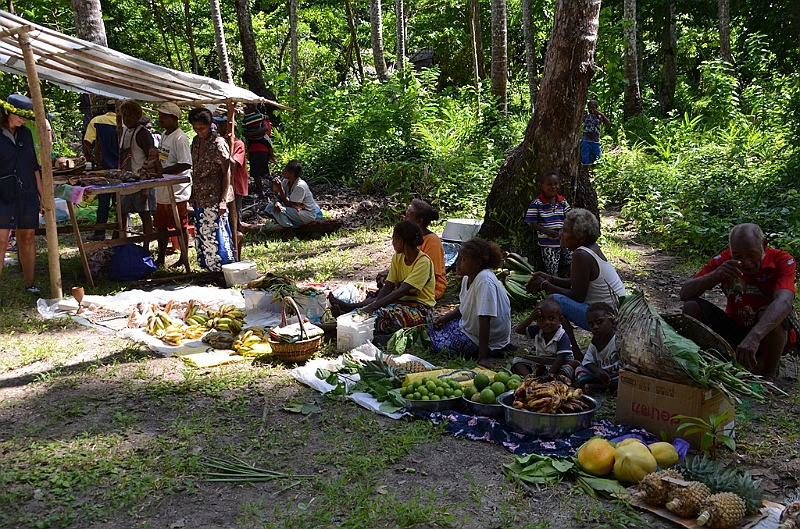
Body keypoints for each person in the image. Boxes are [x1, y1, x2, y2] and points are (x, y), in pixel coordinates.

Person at [680, 223, 795, 381]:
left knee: (769, 313)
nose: (746, 262)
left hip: (765, 333)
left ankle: (769, 374)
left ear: (764, 245)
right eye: (738, 256)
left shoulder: (782, 260)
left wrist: (754, 337)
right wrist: (717, 274)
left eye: (751, 255)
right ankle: (703, 361)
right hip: (735, 326)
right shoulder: (725, 259)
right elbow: (685, 293)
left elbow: (784, 301)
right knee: (691, 306)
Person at [527, 208, 627, 358]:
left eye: (566, 231)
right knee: (555, 301)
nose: (561, 234)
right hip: (612, 313)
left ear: (581, 238)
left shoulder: (581, 255)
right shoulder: (590, 249)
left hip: (607, 318)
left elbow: (577, 295)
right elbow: (578, 282)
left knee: (553, 301)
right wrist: (551, 279)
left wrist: (544, 285)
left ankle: (574, 353)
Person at [327, 220, 436, 336]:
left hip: (420, 310)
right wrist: (373, 307)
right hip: (400, 304)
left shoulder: (423, 262)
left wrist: (373, 307)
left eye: (394, 239)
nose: (392, 243)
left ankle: (331, 328)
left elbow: (402, 291)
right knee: (368, 312)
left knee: (380, 316)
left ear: (401, 241)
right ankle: (341, 324)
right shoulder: (398, 258)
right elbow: (388, 287)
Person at [428, 239, 511, 368]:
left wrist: (482, 358)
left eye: (463, 260)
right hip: (470, 327)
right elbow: (465, 307)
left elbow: (485, 320)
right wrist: (445, 318)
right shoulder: (467, 277)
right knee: (429, 329)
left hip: (487, 338)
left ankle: (488, 351)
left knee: (435, 345)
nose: (458, 263)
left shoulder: (485, 281)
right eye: (459, 258)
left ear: (477, 263)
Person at [0, 94, 42, 297]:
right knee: (1, 241)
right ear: (8, 111)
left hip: (27, 192)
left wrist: (43, 195)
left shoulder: (26, 134)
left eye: (27, 116)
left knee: (27, 237)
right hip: (2, 193)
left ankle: (30, 284)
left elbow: (34, 166)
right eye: (21, 115)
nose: (24, 119)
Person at [188, 107, 236, 271]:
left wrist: (223, 200)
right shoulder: (195, 142)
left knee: (217, 234)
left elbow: (227, 172)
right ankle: (209, 268)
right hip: (201, 195)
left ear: (209, 125)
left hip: (214, 195)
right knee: (204, 234)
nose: (199, 131)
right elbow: (196, 169)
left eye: (202, 128)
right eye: (195, 128)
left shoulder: (218, 143)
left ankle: (224, 268)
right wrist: (193, 193)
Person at [377, 199, 447, 299]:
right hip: (407, 283)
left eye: (408, 216)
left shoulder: (432, 241)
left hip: (426, 289)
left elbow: (430, 273)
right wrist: (388, 274)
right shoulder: (401, 250)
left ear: (419, 221)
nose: (404, 218)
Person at [153, 102, 192, 269]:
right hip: (163, 188)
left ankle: (184, 257)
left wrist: (164, 172)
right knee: (161, 225)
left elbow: (185, 164)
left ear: (174, 118)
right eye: (160, 115)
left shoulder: (180, 138)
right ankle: (160, 258)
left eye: (164, 116)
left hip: (177, 190)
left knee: (180, 225)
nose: (160, 119)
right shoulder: (164, 134)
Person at [118, 100, 160, 236]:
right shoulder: (124, 131)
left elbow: (152, 159)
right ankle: (123, 242)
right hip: (126, 180)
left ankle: (146, 244)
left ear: (138, 116)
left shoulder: (142, 133)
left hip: (141, 181)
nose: (127, 119)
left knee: (144, 214)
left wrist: (146, 186)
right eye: (124, 115)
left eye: (130, 116)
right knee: (122, 213)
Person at [511, 298, 577, 380]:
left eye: (551, 318)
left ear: (560, 320)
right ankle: (529, 378)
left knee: (571, 366)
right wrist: (531, 318)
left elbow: (560, 359)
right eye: (542, 318)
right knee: (518, 359)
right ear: (537, 320)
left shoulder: (562, 336)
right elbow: (519, 330)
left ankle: (554, 378)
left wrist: (549, 374)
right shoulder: (538, 329)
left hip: (560, 364)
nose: (546, 322)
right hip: (542, 362)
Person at [83, 101, 119, 241]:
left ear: (105, 108)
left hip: (103, 169)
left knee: (103, 203)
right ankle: (121, 232)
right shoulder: (124, 122)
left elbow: (87, 143)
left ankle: (99, 233)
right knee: (121, 204)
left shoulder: (96, 121)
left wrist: (90, 161)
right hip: (122, 169)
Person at [524, 170, 572, 278]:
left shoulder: (562, 201)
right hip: (547, 243)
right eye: (549, 184)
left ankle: (573, 282)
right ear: (542, 186)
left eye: (556, 184)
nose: (553, 187)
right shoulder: (537, 203)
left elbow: (570, 217)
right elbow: (532, 222)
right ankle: (555, 285)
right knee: (552, 268)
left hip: (564, 240)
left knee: (572, 261)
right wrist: (547, 231)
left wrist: (565, 231)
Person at [213, 114, 249, 230]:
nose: (220, 128)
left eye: (222, 125)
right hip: (224, 184)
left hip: (236, 184)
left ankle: (237, 235)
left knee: (235, 215)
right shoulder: (220, 143)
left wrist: (224, 154)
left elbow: (234, 164)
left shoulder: (238, 144)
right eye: (219, 126)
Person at [575, 302, 620, 393]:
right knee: (579, 370)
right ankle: (605, 387)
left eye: (599, 322)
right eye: (591, 324)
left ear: (613, 322)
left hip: (616, 375)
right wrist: (597, 371)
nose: (595, 327)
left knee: (623, 378)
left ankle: (600, 387)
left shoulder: (618, 341)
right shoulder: (594, 342)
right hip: (601, 375)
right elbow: (587, 361)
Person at [264, 160, 322, 229]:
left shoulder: (300, 186)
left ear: (291, 173)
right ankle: (288, 224)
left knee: (280, 211)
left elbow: (289, 203)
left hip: (306, 213)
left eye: (285, 170)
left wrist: (280, 189)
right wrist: (277, 202)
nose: (283, 171)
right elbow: (279, 196)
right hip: (295, 210)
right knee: (269, 208)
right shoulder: (286, 181)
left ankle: (289, 229)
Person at [242, 107, 274, 198]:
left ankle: (263, 192)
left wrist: (250, 134)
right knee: (263, 173)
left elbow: (246, 134)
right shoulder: (263, 121)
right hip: (261, 149)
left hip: (255, 149)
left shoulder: (258, 122)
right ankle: (270, 190)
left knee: (257, 174)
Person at [581, 100, 611, 165]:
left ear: (596, 108)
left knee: (596, 158)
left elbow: (608, 124)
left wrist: (601, 114)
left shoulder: (599, 117)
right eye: (590, 107)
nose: (591, 109)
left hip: (595, 141)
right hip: (586, 140)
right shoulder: (586, 116)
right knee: (585, 158)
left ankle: (594, 168)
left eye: (593, 107)